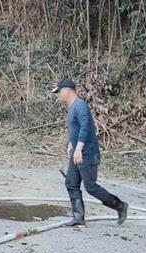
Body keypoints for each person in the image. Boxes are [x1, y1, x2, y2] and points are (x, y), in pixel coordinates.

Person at [51, 77, 128, 226]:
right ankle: (78, 217)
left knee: (91, 187)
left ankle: (120, 206)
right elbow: (77, 128)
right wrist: (71, 144)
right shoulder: (72, 107)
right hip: (78, 151)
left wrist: (79, 148)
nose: (58, 95)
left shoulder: (80, 106)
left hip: (87, 153)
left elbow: (86, 127)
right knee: (71, 183)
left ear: (67, 90)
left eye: (59, 91)